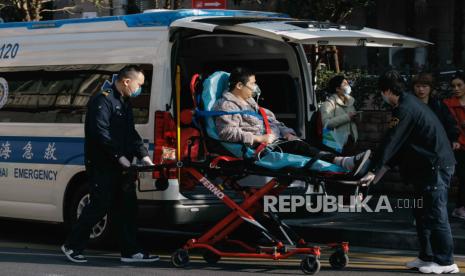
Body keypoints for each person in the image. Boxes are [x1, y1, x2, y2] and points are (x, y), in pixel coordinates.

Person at [360, 70, 459, 274]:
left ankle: (446, 261)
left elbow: (391, 141)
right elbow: (400, 146)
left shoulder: (404, 108)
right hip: (427, 168)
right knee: (422, 213)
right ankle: (427, 257)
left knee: (435, 213)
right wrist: (377, 174)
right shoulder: (409, 104)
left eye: (382, 93)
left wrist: (373, 170)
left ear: (387, 91)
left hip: (435, 166)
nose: (383, 97)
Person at [61, 66, 159, 263]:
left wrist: (144, 156)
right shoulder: (103, 100)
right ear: (126, 81)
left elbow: (131, 133)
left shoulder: (125, 102)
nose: (140, 88)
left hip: (123, 166)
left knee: (127, 208)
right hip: (103, 165)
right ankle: (72, 246)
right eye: (139, 84)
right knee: (98, 206)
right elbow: (101, 134)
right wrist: (119, 157)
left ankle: (130, 251)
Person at [213, 67, 371, 176]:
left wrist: (287, 133)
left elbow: (275, 123)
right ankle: (343, 162)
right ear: (239, 85)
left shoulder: (252, 104)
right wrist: (258, 138)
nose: (255, 88)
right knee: (299, 146)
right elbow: (226, 132)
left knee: (309, 142)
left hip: (276, 140)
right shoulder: (226, 105)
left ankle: (344, 161)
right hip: (260, 149)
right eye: (252, 84)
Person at [412, 72, 459, 145]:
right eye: (417, 86)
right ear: (413, 87)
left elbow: (451, 123)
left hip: (438, 146)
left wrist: (454, 139)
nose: (421, 89)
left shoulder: (439, 105)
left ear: (430, 87)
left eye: (424, 86)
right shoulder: (408, 105)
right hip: (416, 147)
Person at [444, 71, 465, 221]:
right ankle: (459, 208)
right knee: (463, 177)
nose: (456, 88)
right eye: (453, 86)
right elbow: (448, 125)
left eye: (459, 85)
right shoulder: (447, 104)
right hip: (458, 146)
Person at [320, 75, 359, 154]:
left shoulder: (350, 102)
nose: (348, 86)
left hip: (351, 141)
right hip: (336, 144)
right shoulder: (328, 104)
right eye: (344, 84)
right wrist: (348, 116)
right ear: (337, 89)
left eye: (347, 83)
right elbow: (327, 124)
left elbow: (352, 119)